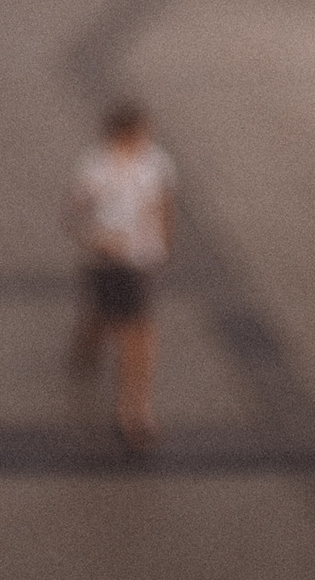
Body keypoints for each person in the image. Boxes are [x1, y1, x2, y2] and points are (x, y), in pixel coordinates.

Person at [67, 98, 177, 449]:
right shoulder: (95, 167)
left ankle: (133, 410)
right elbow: (73, 216)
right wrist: (96, 239)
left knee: (138, 334)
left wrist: (162, 245)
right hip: (108, 262)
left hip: (141, 262)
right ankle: (90, 348)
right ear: (120, 134)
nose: (145, 138)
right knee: (115, 325)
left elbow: (163, 203)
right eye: (138, 133)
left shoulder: (156, 162)